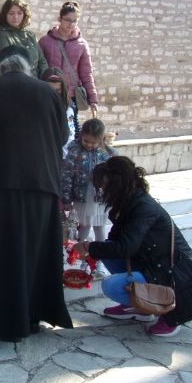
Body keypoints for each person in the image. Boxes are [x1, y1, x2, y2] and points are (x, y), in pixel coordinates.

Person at [0, 52, 72, 341]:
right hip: (41, 183)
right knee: (35, 252)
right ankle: (31, 316)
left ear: (1, 71)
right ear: (27, 70)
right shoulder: (47, 93)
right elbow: (61, 135)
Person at [74, 157, 192, 337]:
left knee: (110, 285)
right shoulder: (128, 202)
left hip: (171, 275)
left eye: (105, 185)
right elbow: (115, 242)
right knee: (108, 250)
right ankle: (140, 307)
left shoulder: (143, 207)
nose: (102, 190)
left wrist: (89, 247)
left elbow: (126, 247)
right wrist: (92, 251)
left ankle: (169, 314)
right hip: (150, 264)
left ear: (117, 184)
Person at [61, 118, 117, 278]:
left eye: (94, 142)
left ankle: (99, 263)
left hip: (101, 199)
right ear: (81, 136)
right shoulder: (74, 151)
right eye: (86, 141)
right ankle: (83, 260)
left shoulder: (108, 153)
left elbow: (115, 177)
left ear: (101, 139)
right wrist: (66, 199)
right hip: (82, 198)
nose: (89, 145)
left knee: (100, 228)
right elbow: (66, 176)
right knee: (83, 228)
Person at [38, 1, 99, 124]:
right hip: (50, 92)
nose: (71, 24)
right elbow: (39, 68)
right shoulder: (45, 41)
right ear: (59, 19)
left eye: (74, 21)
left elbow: (86, 74)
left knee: (72, 127)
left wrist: (93, 99)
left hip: (71, 95)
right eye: (68, 20)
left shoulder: (82, 45)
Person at [0, 0, 47, 77]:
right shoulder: (1, 34)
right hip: (17, 79)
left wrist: (46, 78)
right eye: (11, 13)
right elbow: (9, 62)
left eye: (19, 13)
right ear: (5, 15)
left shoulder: (30, 34)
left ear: (24, 14)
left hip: (37, 80)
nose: (15, 17)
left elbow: (42, 61)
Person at [41, 67, 76, 155]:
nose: (53, 94)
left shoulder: (68, 110)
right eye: (49, 90)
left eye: (57, 91)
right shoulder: (37, 109)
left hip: (62, 155)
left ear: (63, 90)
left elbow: (70, 135)